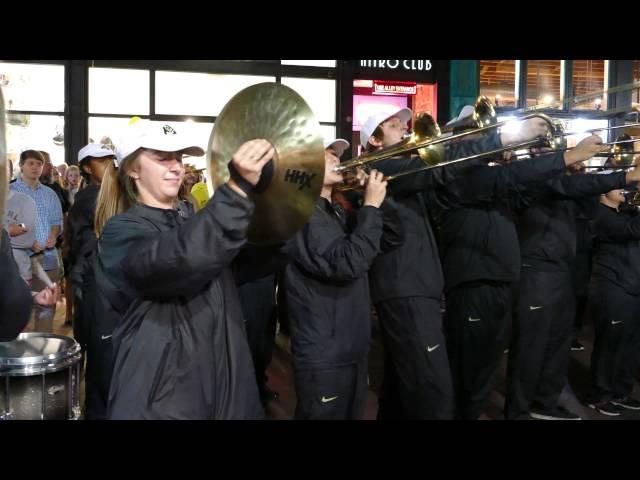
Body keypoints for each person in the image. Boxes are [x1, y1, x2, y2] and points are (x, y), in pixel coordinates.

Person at [94, 122, 271, 419]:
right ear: (132, 170)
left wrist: (284, 206)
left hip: (223, 387)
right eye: (162, 157)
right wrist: (235, 191)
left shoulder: (193, 222)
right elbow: (178, 260)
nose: (175, 166)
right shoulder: (121, 232)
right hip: (167, 400)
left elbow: (253, 258)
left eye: (178, 157)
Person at [283, 138, 404, 419]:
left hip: (351, 345)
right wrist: (371, 208)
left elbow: (393, 237)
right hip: (324, 352)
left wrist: (369, 201)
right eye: (327, 155)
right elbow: (347, 263)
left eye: (336, 154)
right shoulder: (300, 214)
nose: (337, 158)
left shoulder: (336, 210)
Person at [67, 143, 116, 419]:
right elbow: (81, 244)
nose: (109, 163)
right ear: (87, 167)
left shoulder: (113, 193)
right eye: (101, 160)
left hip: (102, 278)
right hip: (90, 278)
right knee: (93, 344)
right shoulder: (90, 197)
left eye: (110, 158)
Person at [586, 186, 640, 416]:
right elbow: (631, 230)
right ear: (602, 191)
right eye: (619, 186)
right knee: (610, 344)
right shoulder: (599, 215)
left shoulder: (626, 211)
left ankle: (621, 391)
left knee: (631, 345)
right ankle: (599, 395)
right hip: (612, 287)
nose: (625, 190)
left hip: (633, 286)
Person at [10, 149, 64, 332]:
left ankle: (43, 351)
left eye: (39, 164)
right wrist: (26, 239)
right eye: (30, 163)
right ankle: (17, 354)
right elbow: (6, 225)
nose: (35, 167)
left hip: (48, 258)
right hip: (19, 259)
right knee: (16, 309)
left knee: (47, 307)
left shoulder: (50, 193)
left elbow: (57, 221)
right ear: (21, 166)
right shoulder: (10, 192)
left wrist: (54, 235)